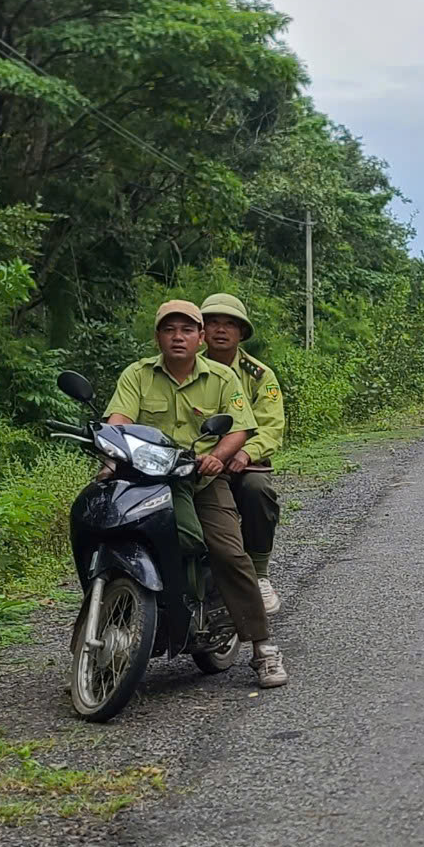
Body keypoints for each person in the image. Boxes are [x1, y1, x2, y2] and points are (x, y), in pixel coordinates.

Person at [104, 298, 287, 690]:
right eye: (169, 330)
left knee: (228, 549)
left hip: (200, 479)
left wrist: (220, 457)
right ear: (157, 336)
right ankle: (95, 643)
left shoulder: (224, 377)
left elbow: (243, 428)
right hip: (146, 477)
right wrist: (111, 446)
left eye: (187, 329)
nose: (178, 337)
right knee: (108, 531)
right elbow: (119, 418)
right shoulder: (137, 374)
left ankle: (263, 647)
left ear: (198, 336)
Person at [199, 293, 286, 620]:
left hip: (243, 463)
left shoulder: (259, 375)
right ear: (202, 331)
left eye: (230, 324)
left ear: (241, 333)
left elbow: (272, 426)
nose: (221, 330)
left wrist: (246, 451)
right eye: (213, 323)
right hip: (197, 461)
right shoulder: (186, 368)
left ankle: (259, 574)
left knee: (256, 491)